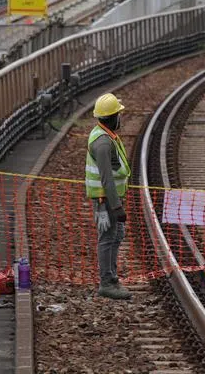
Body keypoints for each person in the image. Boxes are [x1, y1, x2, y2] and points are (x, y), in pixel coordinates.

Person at [85, 92, 132, 300]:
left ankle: (112, 278)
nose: (120, 118)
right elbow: (106, 178)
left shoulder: (106, 135)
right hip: (105, 201)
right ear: (112, 117)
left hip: (109, 199)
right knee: (107, 238)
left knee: (117, 235)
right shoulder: (103, 143)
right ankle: (107, 283)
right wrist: (116, 206)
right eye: (118, 115)